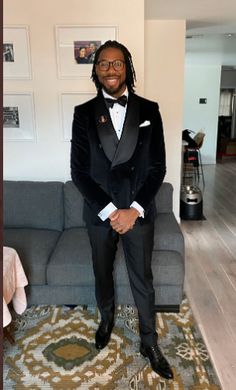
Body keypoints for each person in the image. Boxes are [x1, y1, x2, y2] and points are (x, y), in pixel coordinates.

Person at [71, 40, 174, 380]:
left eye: (117, 63)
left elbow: (157, 167)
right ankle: (106, 320)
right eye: (103, 64)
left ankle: (149, 341)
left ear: (127, 67)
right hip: (101, 215)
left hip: (138, 213)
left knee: (142, 279)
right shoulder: (83, 113)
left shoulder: (149, 109)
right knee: (102, 273)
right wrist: (111, 211)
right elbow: (79, 172)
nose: (110, 70)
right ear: (95, 69)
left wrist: (134, 210)